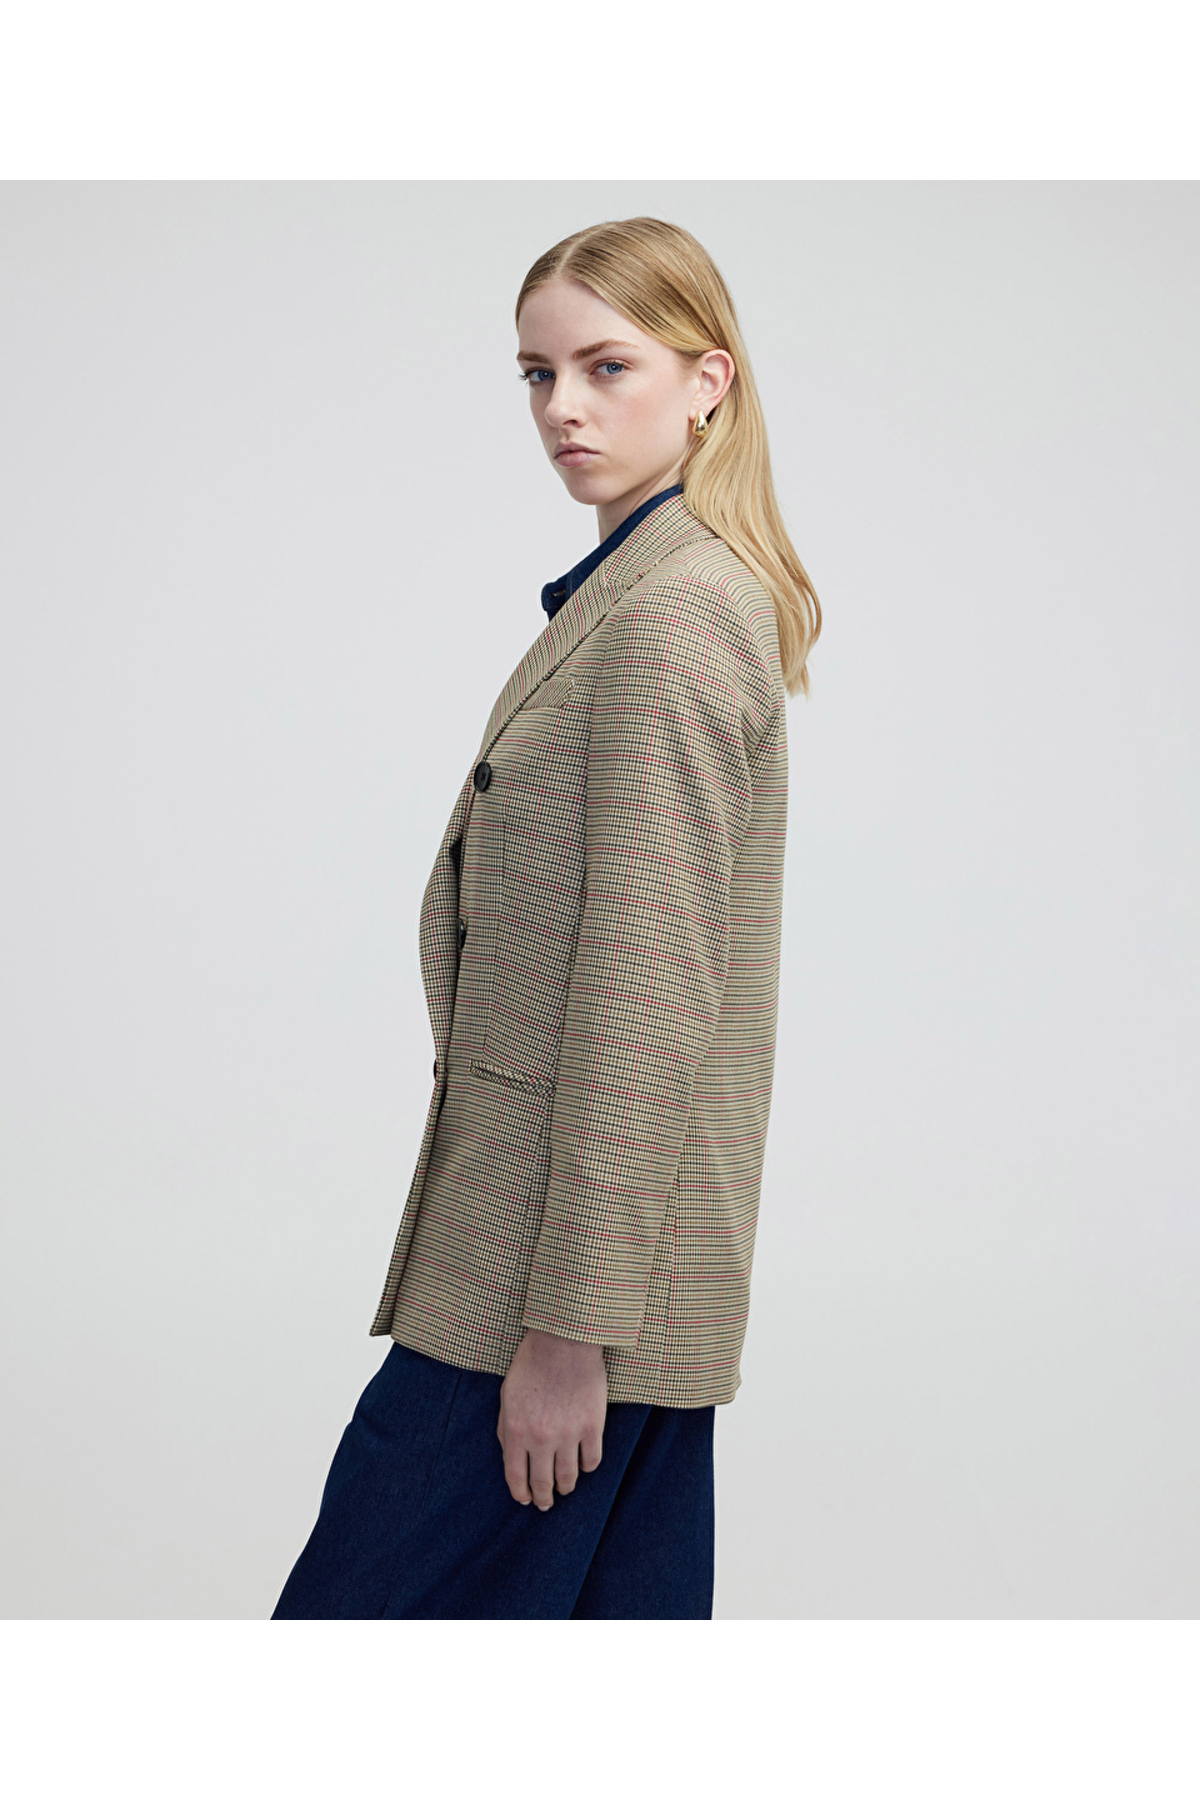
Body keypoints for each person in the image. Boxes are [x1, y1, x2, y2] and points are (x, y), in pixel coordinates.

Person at [271, 216, 820, 1620]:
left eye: (606, 366)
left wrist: (570, 1334)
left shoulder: (675, 618)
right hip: (615, 1280)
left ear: (708, 381)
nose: (563, 407)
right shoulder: (644, 595)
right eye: (537, 373)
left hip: (552, 1294)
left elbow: (645, 997)